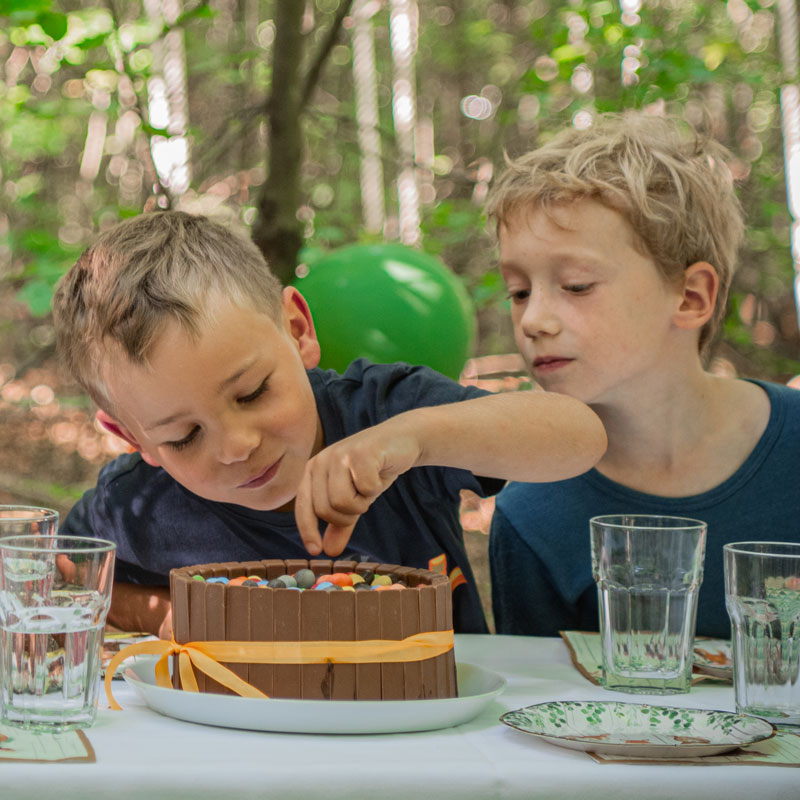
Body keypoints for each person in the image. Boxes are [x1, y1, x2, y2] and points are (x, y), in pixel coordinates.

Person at [52, 211, 607, 638]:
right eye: (184, 437)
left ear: (296, 330)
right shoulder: (136, 505)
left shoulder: (386, 413)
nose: (238, 445)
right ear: (132, 436)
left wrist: (412, 440)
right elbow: (64, 573)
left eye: (252, 392)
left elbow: (579, 434)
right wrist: (163, 612)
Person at [486, 111, 800, 639]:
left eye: (577, 285)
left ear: (690, 296)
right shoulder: (532, 514)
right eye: (519, 291)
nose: (533, 320)